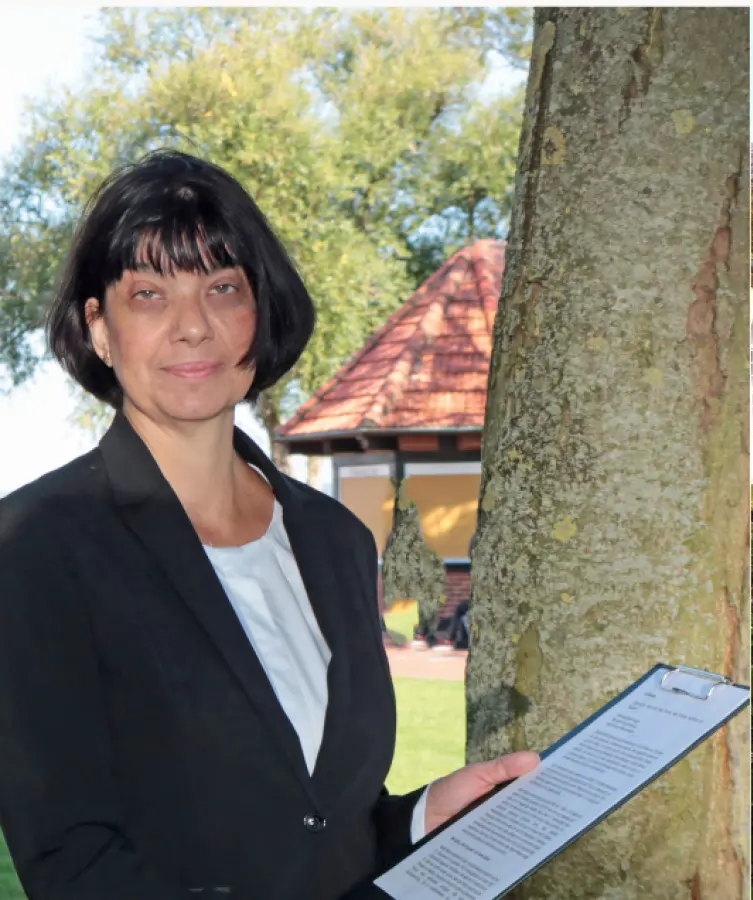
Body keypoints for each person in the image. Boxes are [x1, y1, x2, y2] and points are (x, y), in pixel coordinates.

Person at [0, 149, 538, 899]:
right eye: (150, 294)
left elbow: (324, 821)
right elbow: (71, 859)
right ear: (99, 327)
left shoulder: (335, 539)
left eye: (223, 288)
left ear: (260, 311)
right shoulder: (35, 544)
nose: (193, 327)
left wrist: (420, 819)